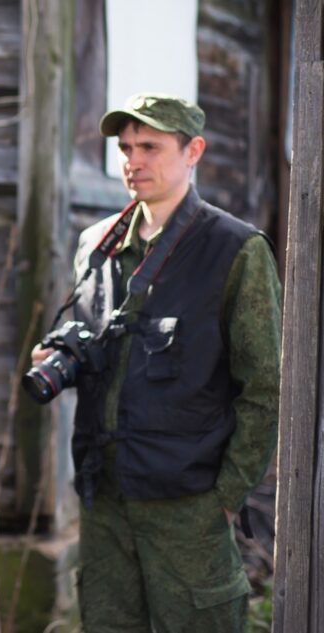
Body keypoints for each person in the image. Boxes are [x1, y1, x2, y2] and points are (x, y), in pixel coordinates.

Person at [31, 93, 281, 632]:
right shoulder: (95, 243)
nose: (133, 161)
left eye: (150, 146)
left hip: (189, 504)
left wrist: (226, 497)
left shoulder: (236, 249)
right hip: (104, 499)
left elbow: (265, 387)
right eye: (124, 148)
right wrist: (59, 353)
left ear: (193, 150)